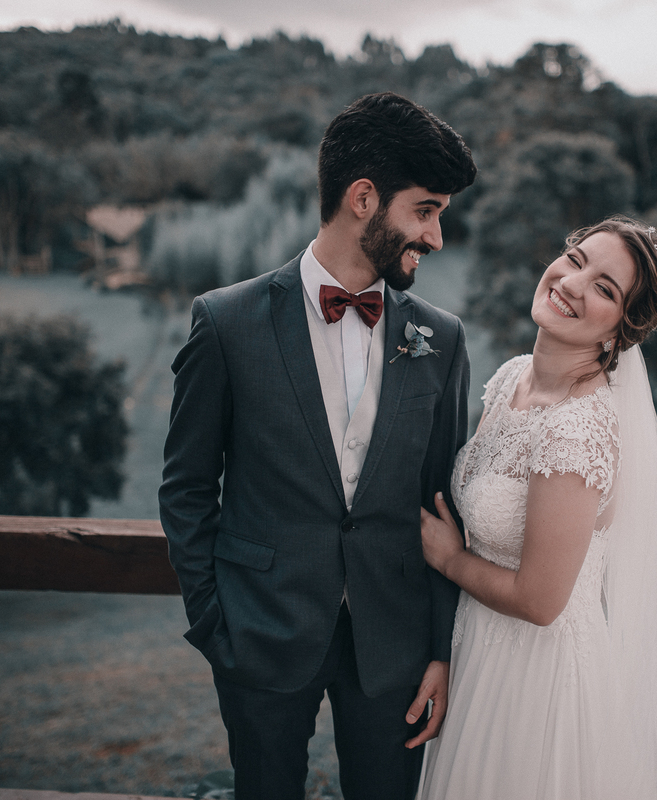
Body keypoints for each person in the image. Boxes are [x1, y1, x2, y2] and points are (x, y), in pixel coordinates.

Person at [159, 92, 476, 800]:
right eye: (425, 210)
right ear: (364, 198)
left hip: (393, 646)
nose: (436, 236)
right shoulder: (226, 322)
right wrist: (216, 623)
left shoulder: (443, 339)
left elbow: (443, 500)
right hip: (260, 635)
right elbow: (184, 488)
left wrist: (439, 648)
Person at [418, 216, 657, 799]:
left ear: (622, 331)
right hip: (475, 650)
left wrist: (448, 559)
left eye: (606, 289)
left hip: (533, 681)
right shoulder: (514, 375)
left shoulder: (576, 431)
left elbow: (540, 602)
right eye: (578, 259)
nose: (573, 283)